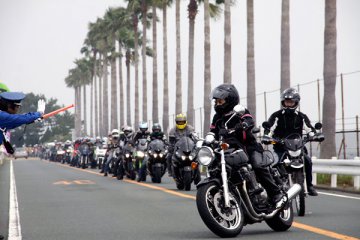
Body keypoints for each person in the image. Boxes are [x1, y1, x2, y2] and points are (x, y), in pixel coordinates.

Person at [209, 83, 283, 205]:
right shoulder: (217, 117)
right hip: (230, 149)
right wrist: (208, 139)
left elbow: (249, 120)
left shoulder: (239, 111)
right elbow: (212, 131)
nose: (217, 104)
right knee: (217, 168)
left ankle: (275, 193)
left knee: (257, 166)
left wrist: (243, 125)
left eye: (220, 101)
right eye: (216, 102)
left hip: (248, 146)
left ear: (230, 100)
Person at [263, 87, 318, 196]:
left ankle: (310, 185)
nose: (288, 104)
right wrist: (267, 137)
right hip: (280, 146)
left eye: (291, 102)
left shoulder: (302, 117)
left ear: (296, 103)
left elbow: (309, 129)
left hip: (298, 146)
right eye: (287, 102)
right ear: (283, 102)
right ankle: (275, 189)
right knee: (275, 164)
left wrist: (315, 135)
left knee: (307, 160)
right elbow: (269, 129)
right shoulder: (276, 116)